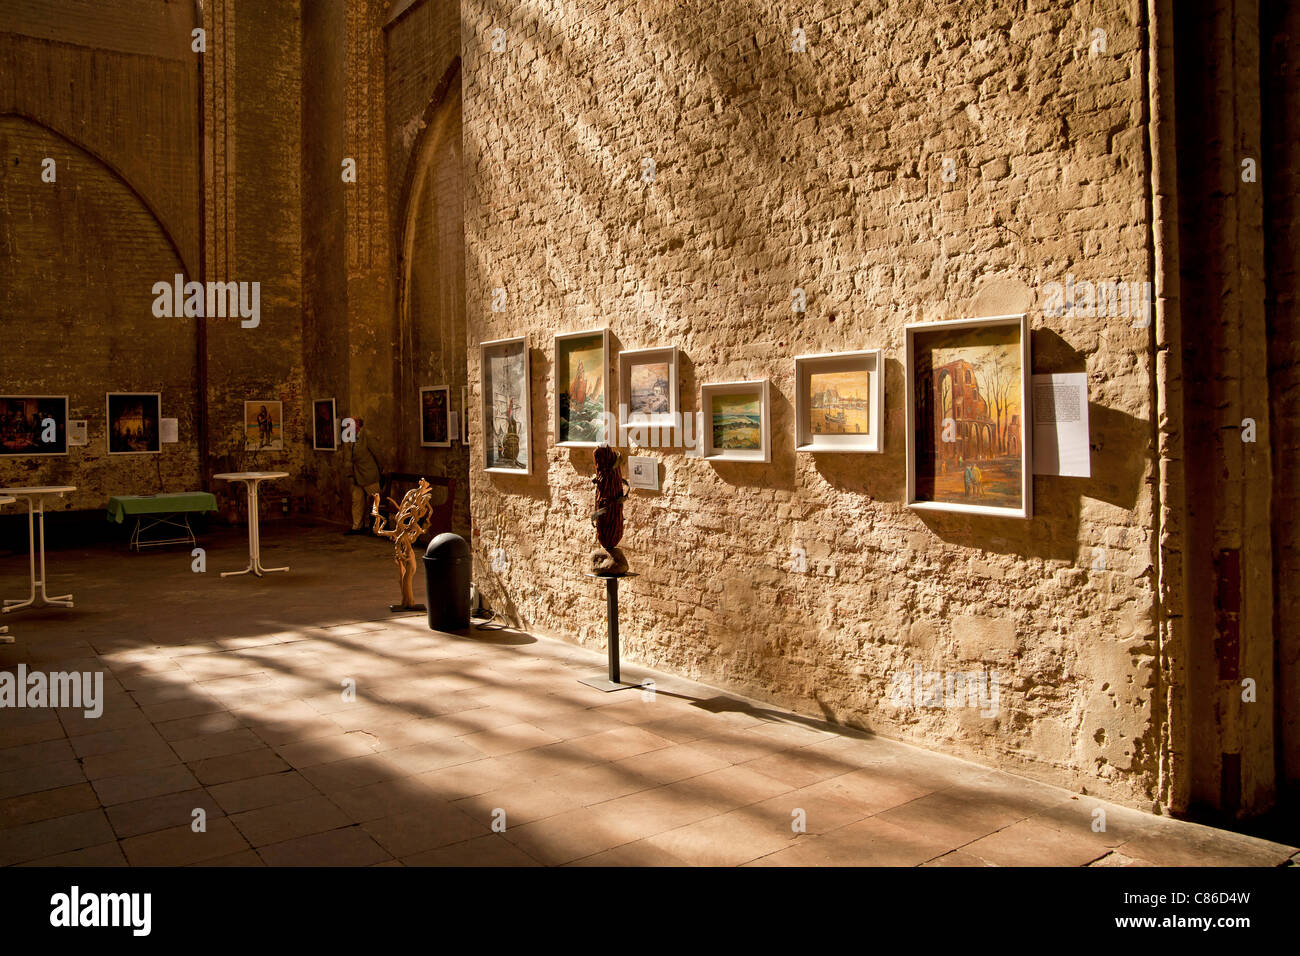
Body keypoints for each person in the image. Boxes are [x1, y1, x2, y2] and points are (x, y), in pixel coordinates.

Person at [346, 417, 383, 535]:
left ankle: (375, 527)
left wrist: (380, 471)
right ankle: (357, 526)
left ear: (358, 425)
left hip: (369, 475)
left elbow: (378, 454)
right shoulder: (350, 437)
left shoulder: (367, 436)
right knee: (357, 501)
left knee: (374, 502)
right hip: (357, 476)